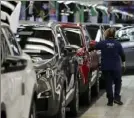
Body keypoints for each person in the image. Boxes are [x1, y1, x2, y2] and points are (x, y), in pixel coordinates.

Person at [93, 28, 126, 106]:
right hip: (116, 67)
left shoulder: (103, 43)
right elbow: (122, 55)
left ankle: (110, 100)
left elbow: (94, 47)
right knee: (118, 82)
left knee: (108, 83)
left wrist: (89, 48)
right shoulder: (117, 44)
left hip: (106, 67)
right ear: (114, 34)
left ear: (106, 34)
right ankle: (117, 98)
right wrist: (124, 64)